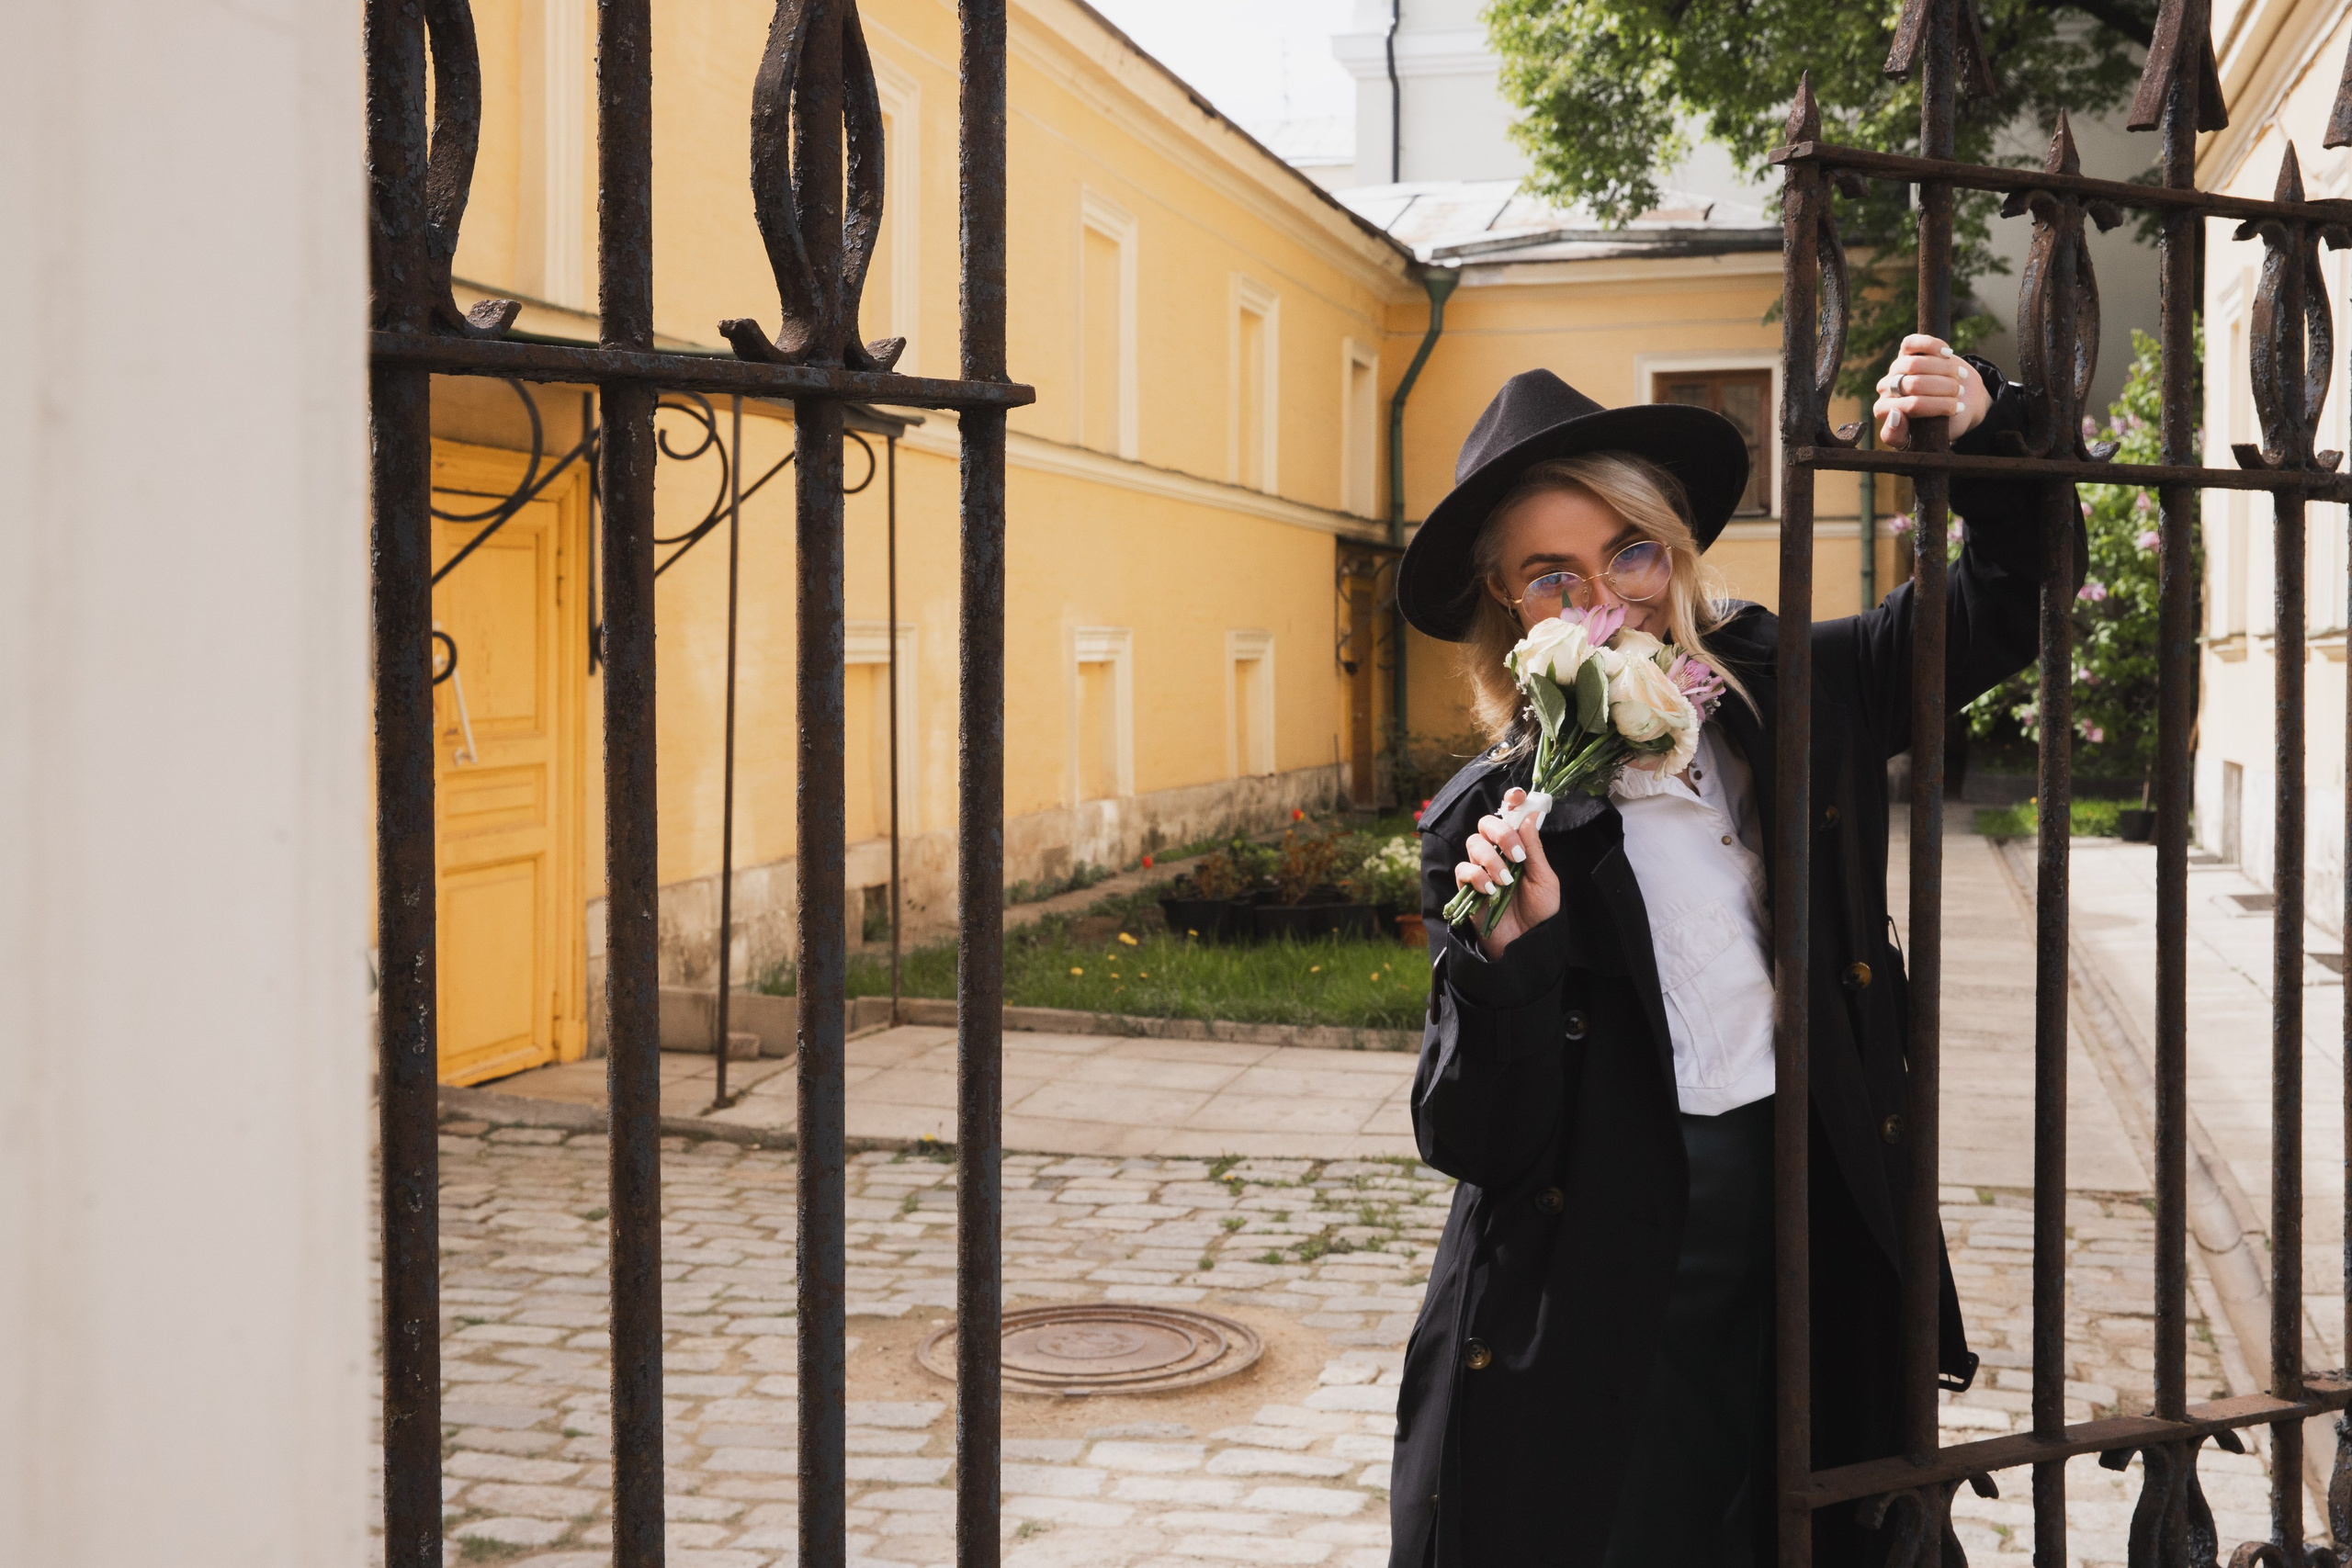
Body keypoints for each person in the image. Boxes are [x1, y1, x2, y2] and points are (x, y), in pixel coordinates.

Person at [1385, 336, 2078, 1568]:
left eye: (1629, 551)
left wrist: (1992, 439)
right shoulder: (1491, 820)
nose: (1607, 600)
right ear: (1507, 604)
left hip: (1812, 1236)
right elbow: (1478, 1144)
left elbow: (2005, 607)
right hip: (1604, 1279)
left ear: (1677, 549)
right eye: (1551, 576)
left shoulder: (1796, 691)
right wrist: (1509, 970)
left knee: (1806, 1532)